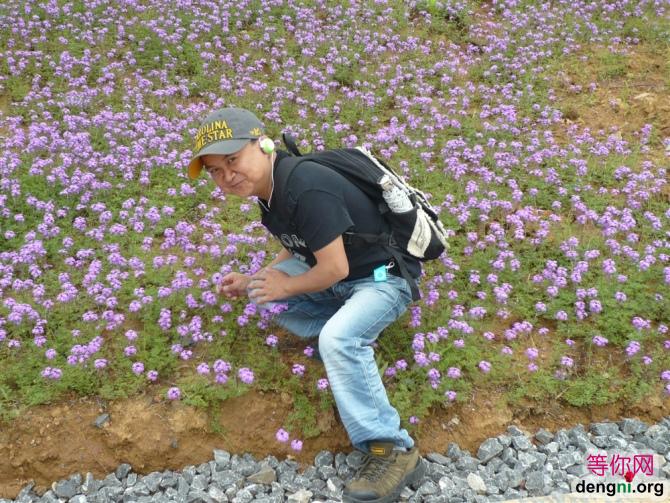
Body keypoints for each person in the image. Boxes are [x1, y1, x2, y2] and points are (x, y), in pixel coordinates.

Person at [187, 107, 426, 503]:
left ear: (263, 145)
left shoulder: (305, 185)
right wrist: (256, 279)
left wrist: (287, 286)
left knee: (337, 339)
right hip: (343, 281)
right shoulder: (270, 191)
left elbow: (334, 267)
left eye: (232, 159)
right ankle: (348, 337)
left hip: (383, 279)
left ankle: (393, 450)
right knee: (262, 292)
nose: (227, 175)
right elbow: (298, 245)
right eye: (215, 170)